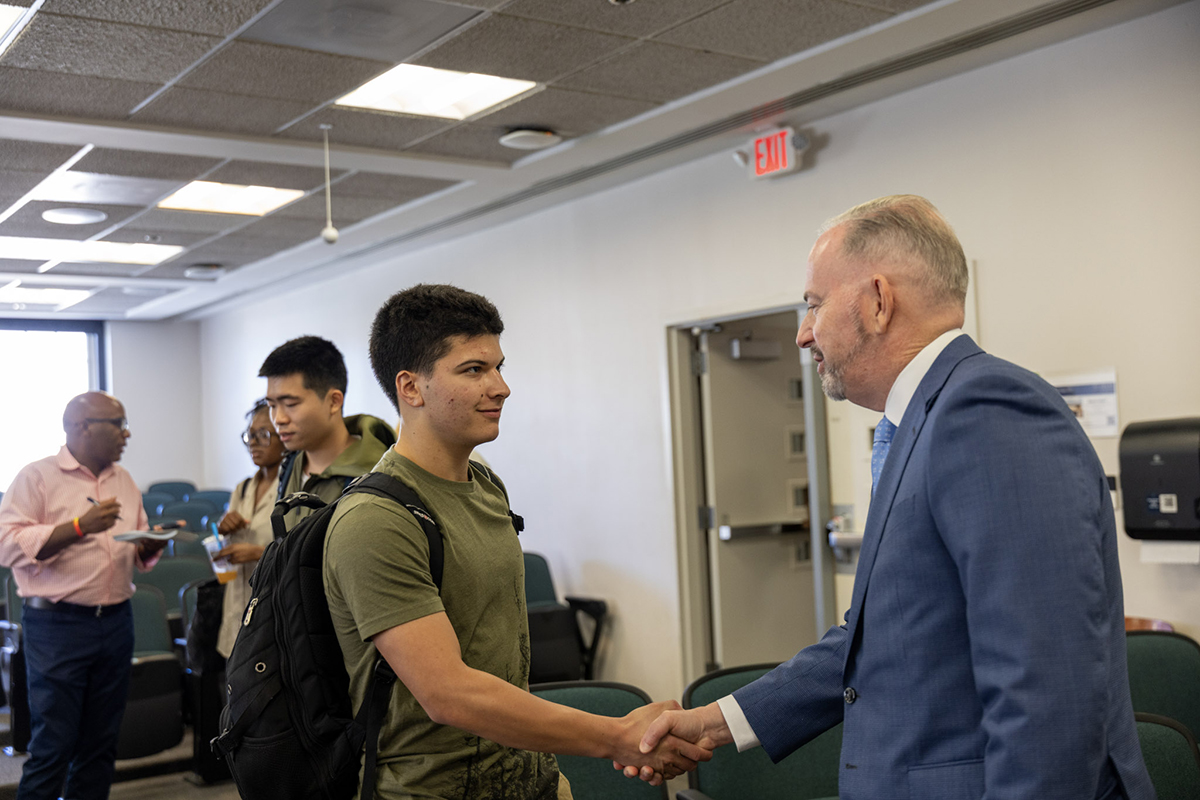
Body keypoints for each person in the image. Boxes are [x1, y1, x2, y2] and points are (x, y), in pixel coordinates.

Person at [631, 196, 1153, 799]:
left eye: (814, 304)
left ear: (878, 301)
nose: (803, 333)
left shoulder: (985, 410)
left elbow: (1048, 686)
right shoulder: (919, 423)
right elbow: (878, 635)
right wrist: (715, 722)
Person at [323, 284, 709, 799]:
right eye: (473, 370)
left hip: (533, 781)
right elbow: (448, 694)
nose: (501, 387)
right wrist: (617, 736)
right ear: (411, 388)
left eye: (498, 367)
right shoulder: (375, 519)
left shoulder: (485, 485)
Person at [0, 391, 171, 800]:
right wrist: (79, 527)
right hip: (57, 626)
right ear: (82, 427)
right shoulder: (36, 477)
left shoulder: (124, 480)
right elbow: (7, 547)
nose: (127, 434)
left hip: (115, 620)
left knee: (101, 743)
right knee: (53, 745)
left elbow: (133, 547)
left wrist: (149, 544)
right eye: (119, 424)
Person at [258, 335, 395, 525]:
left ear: (334, 401)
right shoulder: (290, 464)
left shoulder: (376, 477)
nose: (278, 419)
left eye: (290, 404)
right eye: (272, 406)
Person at [212, 399, 285, 658]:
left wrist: (258, 553)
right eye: (250, 436)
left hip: (273, 614)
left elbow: (301, 556)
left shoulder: (292, 491)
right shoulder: (242, 489)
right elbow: (223, 561)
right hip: (236, 610)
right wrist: (221, 534)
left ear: (284, 435)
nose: (253, 443)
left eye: (263, 435)